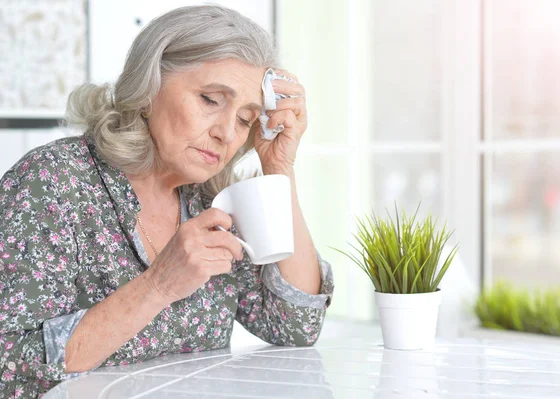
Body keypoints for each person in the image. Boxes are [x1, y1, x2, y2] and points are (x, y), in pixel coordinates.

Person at [0, 5, 333, 398]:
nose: (228, 133)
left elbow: (296, 326)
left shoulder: (211, 198)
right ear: (148, 87)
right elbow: (10, 366)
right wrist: (158, 285)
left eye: (245, 119)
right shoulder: (52, 181)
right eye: (210, 99)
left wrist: (279, 168)